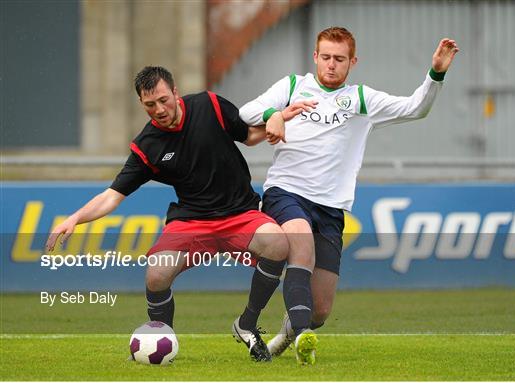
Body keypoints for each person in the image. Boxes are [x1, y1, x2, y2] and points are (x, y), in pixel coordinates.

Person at [46, 66, 309, 362]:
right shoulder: (148, 146)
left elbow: (247, 135)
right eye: (149, 105)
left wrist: (279, 118)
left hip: (240, 213)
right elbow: (111, 196)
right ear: (142, 104)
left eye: (162, 100)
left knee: (277, 243)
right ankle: (162, 338)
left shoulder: (209, 105)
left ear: (174, 92)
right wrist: (74, 218)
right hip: (192, 221)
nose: (158, 109)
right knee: (156, 273)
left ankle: (247, 324)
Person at [239, 26, 459, 364]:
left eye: (339, 59)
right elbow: (246, 112)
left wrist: (436, 73)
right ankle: (302, 334)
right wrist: (276, 115)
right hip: (287, 191)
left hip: (330, 208)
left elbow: (416, 108)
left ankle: (291, 331)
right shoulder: (293, 86)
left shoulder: (361, 99)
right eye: (325, 57)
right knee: (300, 243)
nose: (330, 64)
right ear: (315, 57)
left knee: (322, 308)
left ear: (352, 62)